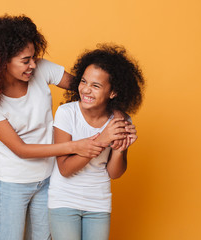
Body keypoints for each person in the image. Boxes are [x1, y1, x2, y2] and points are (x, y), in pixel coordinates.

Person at [0, 15, 128, 240]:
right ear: (1, 61)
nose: (33, 64)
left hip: (47, 180)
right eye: (25, 60)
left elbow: (88, 91)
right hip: (12, 183)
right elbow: (21, 149)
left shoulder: (41, 69)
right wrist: (76, 146)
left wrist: (118, 115)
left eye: (33, 57)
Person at [48, 44, 145, 240]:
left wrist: (119, 149)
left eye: (96, 85)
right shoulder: (67, 113)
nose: (86, 90)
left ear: (113, 92)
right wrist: (102, 140)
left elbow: (114, 173)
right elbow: (65, 168)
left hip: (99, 203)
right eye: (84, 81)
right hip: (64, 200)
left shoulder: (121, 121)